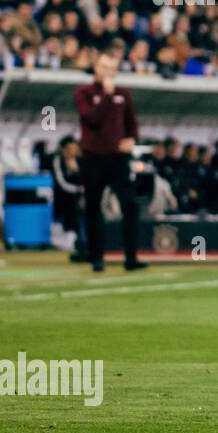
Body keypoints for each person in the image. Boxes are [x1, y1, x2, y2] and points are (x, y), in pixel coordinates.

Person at [74, 51, 147, 272]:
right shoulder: (84, 93)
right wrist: (106, 96)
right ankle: (96, 257)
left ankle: (131, 257)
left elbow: (131, 122)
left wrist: (131, 139)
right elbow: (92, 119)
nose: (107, 72)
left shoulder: (123, 94)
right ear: (96, 68)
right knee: (93, 208)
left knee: (130, 205)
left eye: (111, 68)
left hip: (118, 158)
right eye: (103, 67)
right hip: (93, 157)